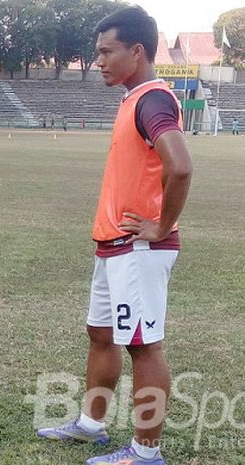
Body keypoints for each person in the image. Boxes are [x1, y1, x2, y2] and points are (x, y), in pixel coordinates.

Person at [37, 7, 192, 465]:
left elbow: (180, 166)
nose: (99, 61)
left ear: (137, 51)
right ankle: (91, 426)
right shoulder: (133, 98)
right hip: (114, 245)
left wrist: (162, 225)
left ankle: (146, 453)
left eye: (107, 52)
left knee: (143, 346)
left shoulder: (152, 99)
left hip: (139, 247)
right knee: (100, 334)